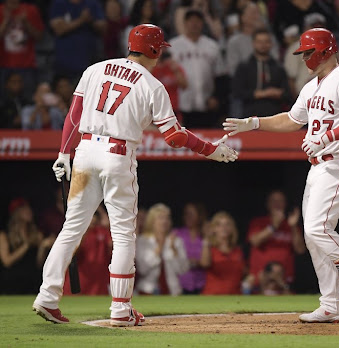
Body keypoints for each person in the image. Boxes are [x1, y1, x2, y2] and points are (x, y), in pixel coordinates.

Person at [32, 24, 238, 327]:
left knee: (71, 229)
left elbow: (74, 115)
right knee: (124, 233)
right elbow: (174, 137)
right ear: (154, 50)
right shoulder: (152, 85)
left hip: (85, 152)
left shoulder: (95, 68)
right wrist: (209, 149)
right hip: (117, 155)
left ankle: (47, 297)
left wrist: (64, 152)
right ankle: (120, 308)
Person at [223, 28, 339, 323]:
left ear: (324, 50)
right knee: (311, 235)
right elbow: (292, 120)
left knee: (318, 228)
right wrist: (253, 122)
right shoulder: (311, 86)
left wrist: (328, 136)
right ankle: (331, 303)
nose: (304, 57)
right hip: (318, 166)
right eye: (303, 53)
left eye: (308, 51)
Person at [169, 9, 226, 128]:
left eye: (198, 21)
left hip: (207, 103)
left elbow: (221, 75)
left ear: (202, 23)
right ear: (184, 23)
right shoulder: (173, 46)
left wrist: (216, 97)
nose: (194, 24)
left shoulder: (212, 46)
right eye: (191, 21)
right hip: (180, 105)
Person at [245, 189, 305, 292]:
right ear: (268, 204)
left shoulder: (291, 225)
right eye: (273, 200)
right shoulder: (258, 222)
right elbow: (255, 241)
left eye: (280, 201)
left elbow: (300, 250)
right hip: (260, 281)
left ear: (285, 204)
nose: (277, 204)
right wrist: (274, 226)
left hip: (284, 280)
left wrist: (294, 226)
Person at [231, 28, 291, 117]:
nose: (263, 45)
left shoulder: (278, 68)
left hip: (274, 115)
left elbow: (287, 94)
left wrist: (278, 93)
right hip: (248, 115)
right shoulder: (244, 67)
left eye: (266, 42)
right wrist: (262, 94)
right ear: (253, 43)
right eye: (259, 42)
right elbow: (237, 92)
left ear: (271, 44)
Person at [0, 198, 54, 294]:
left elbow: (38, 263)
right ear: (16, 213)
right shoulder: (5, 235)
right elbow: (7, 261)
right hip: (12, 283)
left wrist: (43, 247)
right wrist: (26, 245)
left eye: (29, 209)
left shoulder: (36, 233)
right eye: (24, 209)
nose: (29, 211)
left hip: (32, 282)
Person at [135, 203, 189, 296]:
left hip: (172, 292)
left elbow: (183, 270)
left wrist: (174, 250)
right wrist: (158, 250)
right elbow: (142, 269)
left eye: (167, 218)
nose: (164, 221)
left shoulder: (176, 241)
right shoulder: (143, 241)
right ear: (152, 221)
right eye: (160, 218)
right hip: (148, 291)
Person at [49, 0, 106, 83]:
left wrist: (91, 20)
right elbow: (59, 29)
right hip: (64, 65)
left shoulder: (92, 3)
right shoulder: (60, 3)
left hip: (89, 63)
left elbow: (103, 29)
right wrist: (81, 20)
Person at [0, 0, 45, 101]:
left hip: (27, 66)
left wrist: (26, 23)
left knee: (29, 100)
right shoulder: (1, 10)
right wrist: (6, 21)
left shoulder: (30, 10)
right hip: (3, 65)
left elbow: (40, 37)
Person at [63, 208, 112, 295]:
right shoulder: (75, 232)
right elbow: (71, 253)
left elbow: (113, 246)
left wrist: (109, 225)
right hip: (80, 278)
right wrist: (85, 230)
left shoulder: (103, 231)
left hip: (98, 281)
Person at [200, 211, 246, 295]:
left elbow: (243, 272)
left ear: (232, 228)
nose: (223, 227)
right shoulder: (210, 249)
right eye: (219, 225)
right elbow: (204, 264)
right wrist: (207, 239)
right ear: (213, 229)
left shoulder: (238, 250)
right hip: (213, 297)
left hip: (235, 297)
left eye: (227, 224)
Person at [174, 202, 209, 294]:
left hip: (202, 285)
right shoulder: (177, 234)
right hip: (181, 285)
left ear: (199, 216)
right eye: (186, 214)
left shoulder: (204, 235)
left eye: (191, 214)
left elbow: (206, 262)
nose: (188, 217)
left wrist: (196, 262)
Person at [151, 51, 188, 124]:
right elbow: (145, 79)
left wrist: (176, 70)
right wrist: (155, 64)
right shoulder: (154, 68)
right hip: (155, 109)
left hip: (173, 108)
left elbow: (184, 85)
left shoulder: (174, 68)